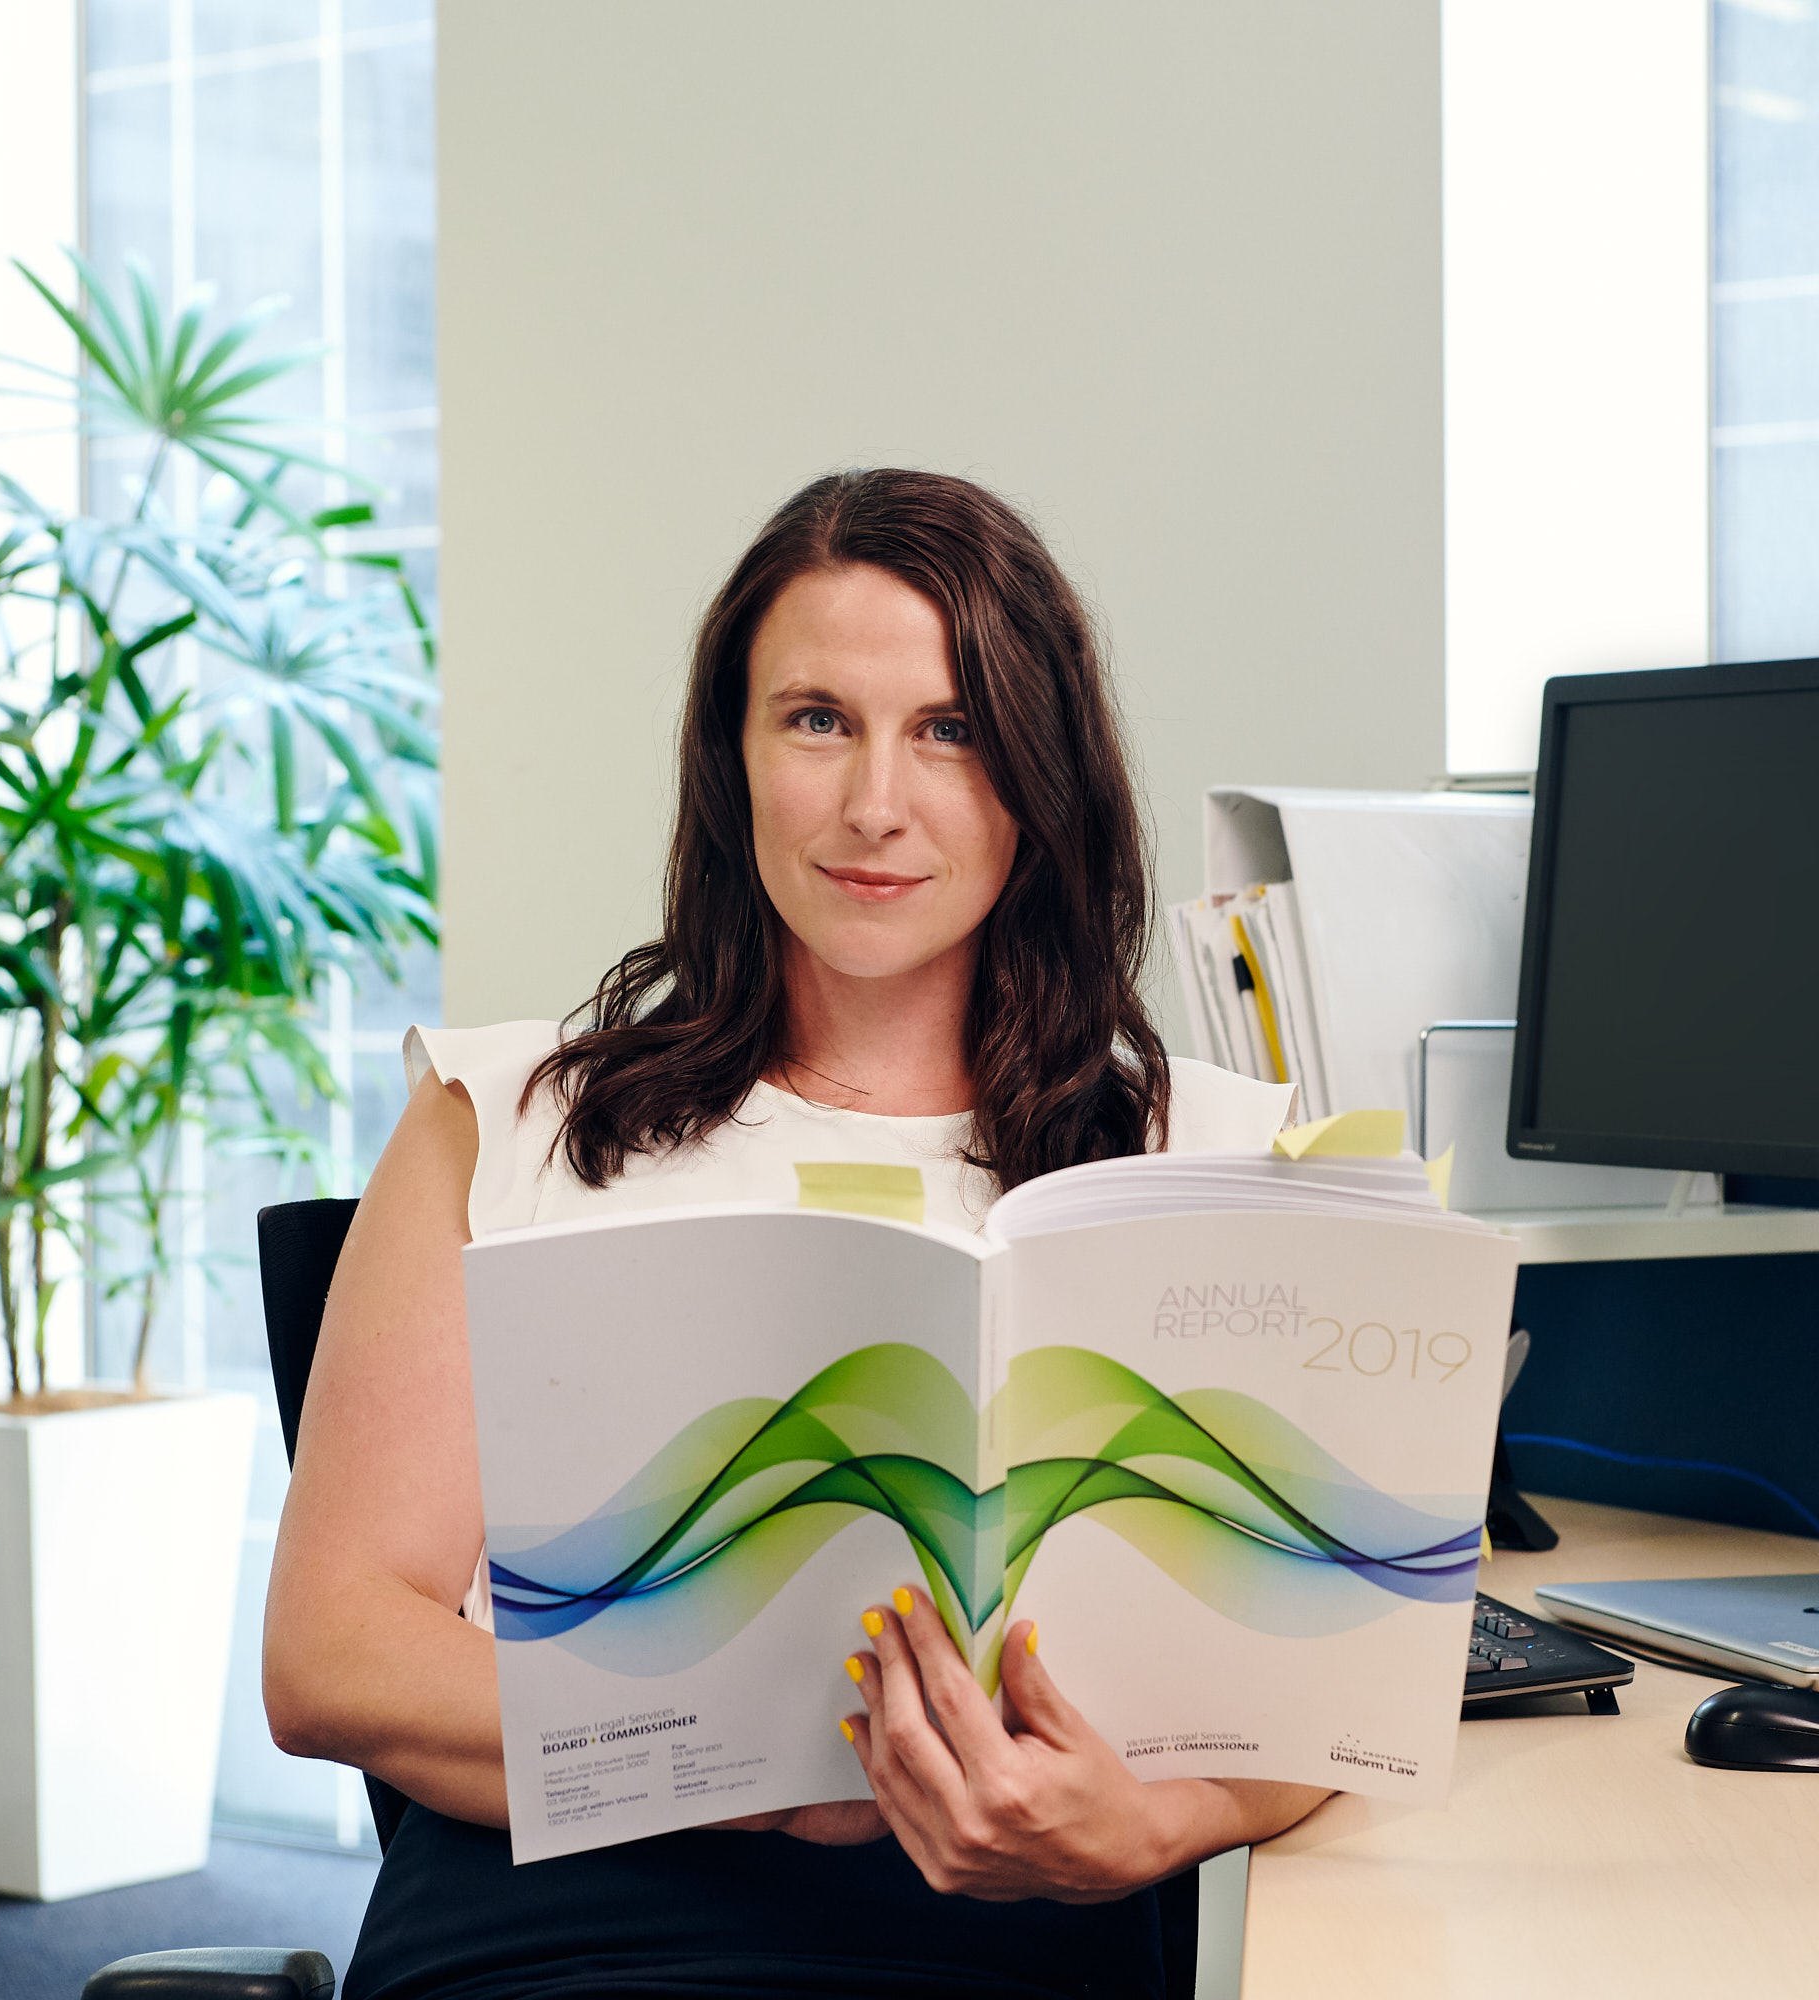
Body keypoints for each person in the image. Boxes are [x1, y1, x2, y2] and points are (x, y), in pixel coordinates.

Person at [265, 469, 1331, 1999]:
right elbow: (330, 1658)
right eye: (817, 719)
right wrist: (746, 1761)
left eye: (950, 730)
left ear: (1040, 776)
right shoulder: (501, 1123)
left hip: (1010, 1927)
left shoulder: (1208, 1157)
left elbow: (1334, 1684)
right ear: (735, 758)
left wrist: (1150, 1827)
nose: (876, 804)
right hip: (562, 1933)